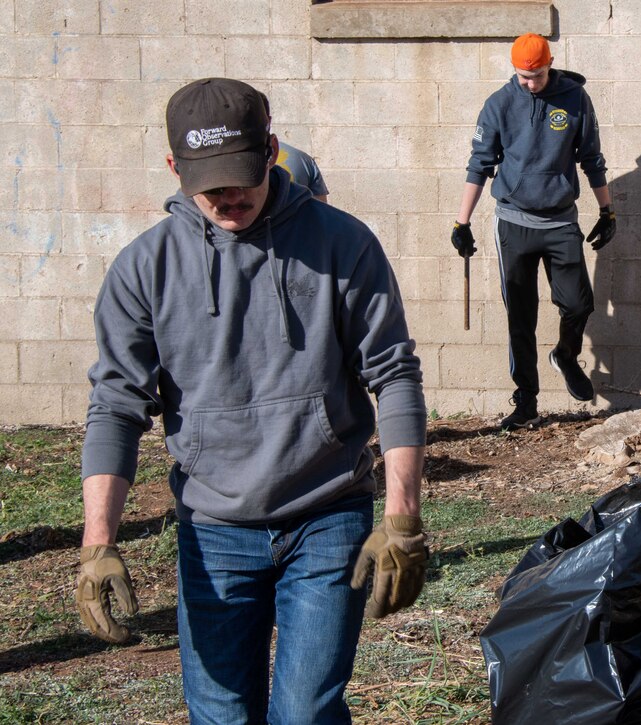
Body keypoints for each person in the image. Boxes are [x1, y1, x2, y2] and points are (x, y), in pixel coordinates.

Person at [75, 77, 429, 724]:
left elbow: (395, 375)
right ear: (173, 168)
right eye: (208, 182)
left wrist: (402, 515)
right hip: (213, 530)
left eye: (240, 173)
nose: (227, 195)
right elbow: (115, 405)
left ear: (271, 150)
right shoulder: (143, 269)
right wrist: (98, 541)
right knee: (221, 713)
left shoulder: (343, 245)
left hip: (327, 516)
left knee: (306, 713)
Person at [451, 32, 616, 429]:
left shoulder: (575, 99)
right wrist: (462, 221)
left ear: (550, 63)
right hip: (514, 222)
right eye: (523, 77)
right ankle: (526, 400)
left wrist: (607, 210)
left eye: (537, 75)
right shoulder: (499, 104)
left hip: (560, 220)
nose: (530, 83)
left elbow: (591, 158)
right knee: (520, 316)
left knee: (578, 304)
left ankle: (564, 354)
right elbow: (480, 164)